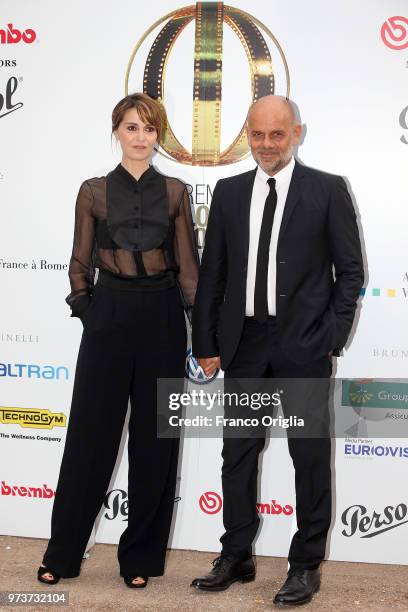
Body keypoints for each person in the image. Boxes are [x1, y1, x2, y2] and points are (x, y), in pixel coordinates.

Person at [191, 95, 364, 606]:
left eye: (277, 135)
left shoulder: (328, 191)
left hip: (304, 346)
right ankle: (236, 552)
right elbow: (212, 276)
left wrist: (331, 335)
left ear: (297, 133)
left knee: (308, 456)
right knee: (237, 454)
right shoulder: (227, 193)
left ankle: (305, 562)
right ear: (248, 132)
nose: (266, 145)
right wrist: (205, 342)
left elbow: (349, 273)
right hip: (244, 346)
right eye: (258, 134)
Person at [37, 93, 199, 588]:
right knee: (90, 437)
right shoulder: (93, 190)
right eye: (131, 127)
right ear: (117, 132)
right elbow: (79, 260)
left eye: (149, 129)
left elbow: (188, 266)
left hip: (163, 318)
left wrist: (202, 330)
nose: (141, 137)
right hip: (108, 316)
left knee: (156, 441)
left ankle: (141, 560)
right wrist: (87, 308)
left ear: (159, 136)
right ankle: (62, 555)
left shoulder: (174, 191)